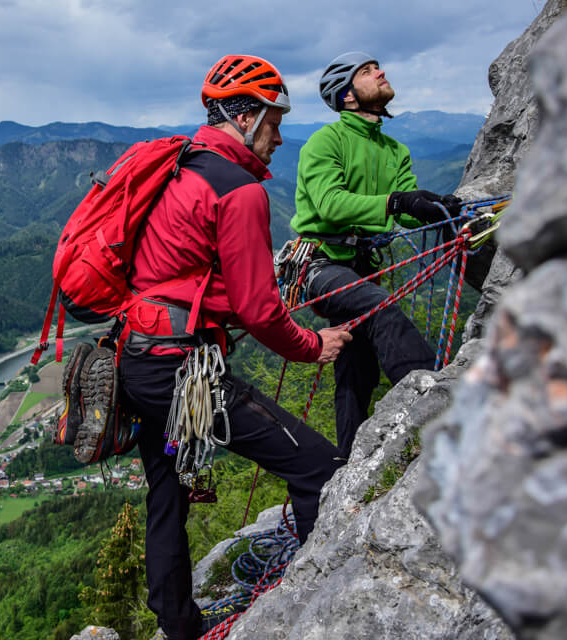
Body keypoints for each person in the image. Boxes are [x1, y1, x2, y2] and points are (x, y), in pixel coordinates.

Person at [117, 54, 352, 640]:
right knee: (319, 467)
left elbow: (177, 272)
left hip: (137, 358)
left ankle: (180, 629)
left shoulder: (180, 168)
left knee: (166, 494)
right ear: (245, 118)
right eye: (273, 123)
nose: (278, 138)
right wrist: (311, 345)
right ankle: (314, 605)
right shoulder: (239, 190)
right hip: (180, 372)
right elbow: (259, 309)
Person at [292, 52, 461, 462]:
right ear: (347, 95)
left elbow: (402, 206)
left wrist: (431, 205)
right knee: (380, 308)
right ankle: (437, 400)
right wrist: (396, 200)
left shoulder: (394, 150)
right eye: (367, 71)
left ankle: (348, 462)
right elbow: (331, 204)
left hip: (362, 268)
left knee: (357, 368)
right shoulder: (325, 142)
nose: (380, 72)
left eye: (377, 67)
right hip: (320, 266)